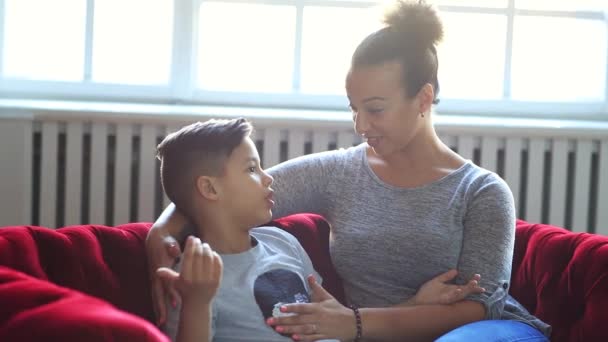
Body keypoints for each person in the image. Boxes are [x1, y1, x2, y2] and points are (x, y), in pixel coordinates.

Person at [147, 1, 551, 340]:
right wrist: (159, 235)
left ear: (424, 98)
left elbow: (479, 309)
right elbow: (228, 189)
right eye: (353, 108)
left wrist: (353, 322)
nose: (360, 126)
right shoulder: (339, 173)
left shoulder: (482, 191)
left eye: (375, 109)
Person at [153, 118, 484, 342]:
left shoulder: (283, 243)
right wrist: (197, 301)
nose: (269, 178)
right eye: (252, 169)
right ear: (210, 189)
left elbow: (337, 321)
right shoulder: (196, 276)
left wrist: (417, 303)